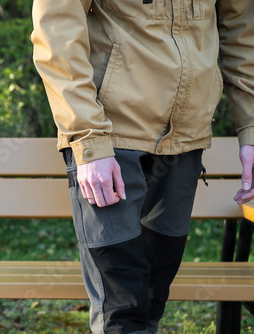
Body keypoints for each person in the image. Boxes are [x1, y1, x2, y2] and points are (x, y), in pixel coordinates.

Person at [31, 1, 254, 333]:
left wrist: (251, 130)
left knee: (151, 296)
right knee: (122, 308)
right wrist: (88, 138)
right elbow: (57, 32)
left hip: (185, 140)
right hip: (109, 140)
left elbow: (243, 32)